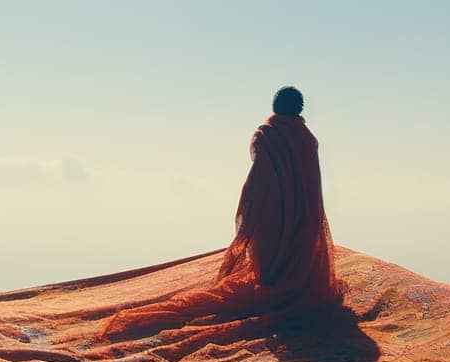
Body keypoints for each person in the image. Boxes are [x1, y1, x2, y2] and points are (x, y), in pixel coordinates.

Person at [101, 86, 341, 338]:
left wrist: (250, 213)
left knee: (269, 266)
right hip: (304, 216)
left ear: (275, 105)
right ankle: (289, 295)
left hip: (270, 214)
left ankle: (273, 293)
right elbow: (311, 183)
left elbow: (259, 181)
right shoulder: (306, 138)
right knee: (297, 260)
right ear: (299, 108)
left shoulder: (266, 134)